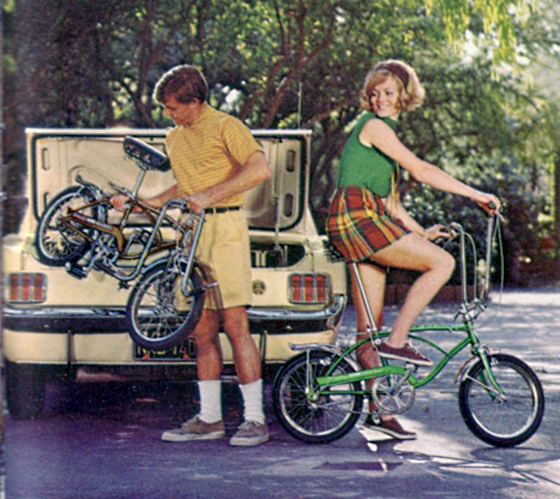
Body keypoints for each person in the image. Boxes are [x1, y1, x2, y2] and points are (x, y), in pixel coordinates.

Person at [326, 60, 501, 439]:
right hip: (356, 216)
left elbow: (392, 206)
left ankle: (380, 411)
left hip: (364, 215)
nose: (379, 99)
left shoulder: (383, 139)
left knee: (366, 329)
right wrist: (475, 195)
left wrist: (423, 234)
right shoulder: (373, 126)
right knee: (443, 264)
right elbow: (421, 170)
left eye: (388, 93)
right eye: (374, 93)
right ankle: (399, 341)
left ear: (405, 95)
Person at [111, 65, 271, 447]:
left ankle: (255, 421)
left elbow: (259, 168)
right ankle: (210, 419)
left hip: (226, 229)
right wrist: (137, 205)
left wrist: (209, 196)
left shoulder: (227, 126)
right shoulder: (174, 138)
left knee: (236, 326)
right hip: (191, 234)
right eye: (166, 109)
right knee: (201, 331)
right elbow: (184, 186)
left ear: (196, 102)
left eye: (173, 108)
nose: (169, 115)